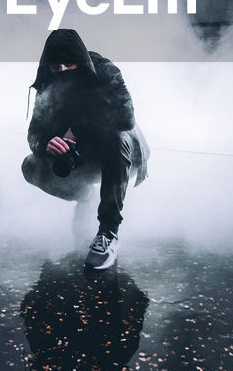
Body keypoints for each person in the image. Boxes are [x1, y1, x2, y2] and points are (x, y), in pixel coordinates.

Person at [21, 28, 148, 269]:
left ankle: (108, 233)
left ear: (81, 61)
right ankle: (87, 197)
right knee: (30, 166)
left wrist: (76, 130)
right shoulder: (48, 83)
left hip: (124, 152)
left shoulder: (105, 71)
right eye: (56, 68)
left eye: (69, 66)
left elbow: (125, 119)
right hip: (84, 157)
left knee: (116, 138)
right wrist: (48, 143)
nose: (63, 72)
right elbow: (34, 134)